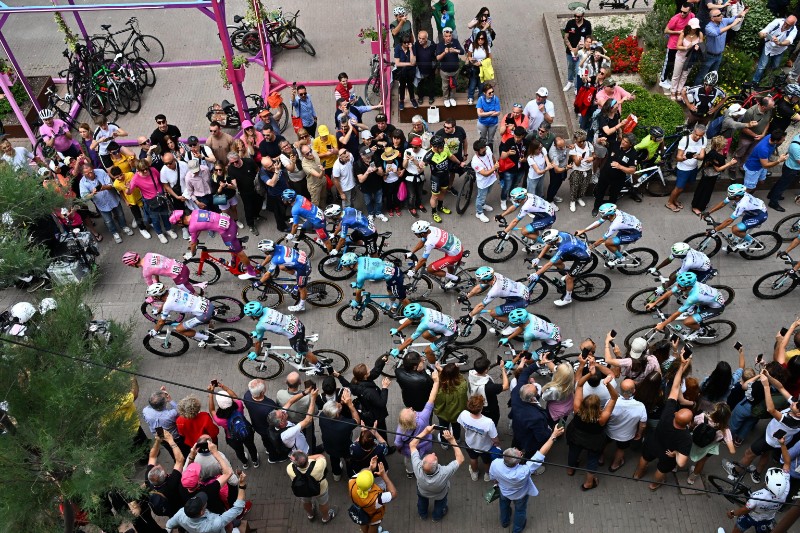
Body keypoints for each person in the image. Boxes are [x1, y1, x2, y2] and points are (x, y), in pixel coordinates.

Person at [723, 372, 800, 484]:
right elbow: (780, 387)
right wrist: (769, 377)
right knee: (766, 454)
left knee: (749, 453)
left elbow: (771, 410)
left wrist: (766, 386)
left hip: (769, 440)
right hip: (777, 439)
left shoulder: (792, 422)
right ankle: (757, 474)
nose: (794, 403)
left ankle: (735, 471)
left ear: (798, 414)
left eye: (797, 406)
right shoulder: (795, 407)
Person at [633, 350, 693, 490]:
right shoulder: (686, 438)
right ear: (688, 424)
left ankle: (637, 474)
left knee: (645, 458)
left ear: (676, 413)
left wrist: (680, 367)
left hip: (654, 441)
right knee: (661, 470)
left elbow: (675, 387)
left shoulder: (668, 413)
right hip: (668, 453)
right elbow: (682, 463)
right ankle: (654, 485)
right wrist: (676, 453)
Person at [489, 425, 564, 533]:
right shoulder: (524, 471)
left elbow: (493, 477)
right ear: (517, 462)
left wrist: (497, 482)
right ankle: (517, 529)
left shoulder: (496, 463)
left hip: (504, 492)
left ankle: (504, 522)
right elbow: (540, 454)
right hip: (520, 495)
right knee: (520, 511)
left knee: (503, 506)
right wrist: (553, 435)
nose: (517, 449)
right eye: (519, 452)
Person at [568, 360, 618, 491]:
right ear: (598, 406)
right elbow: (614, 398)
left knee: (574, 451)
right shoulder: (602, 417)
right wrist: (607, 384)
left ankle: (570, 469)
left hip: (576, 435)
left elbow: (579, 385)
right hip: (594, 440)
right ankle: (588, 483)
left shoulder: (577, 409)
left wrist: (589, 374)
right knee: (592, 459)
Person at [171, 208, 257, 279]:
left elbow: (193, 243)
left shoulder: (192, 227)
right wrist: (194, 237)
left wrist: (192, 253)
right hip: (230, 222)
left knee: (239, 252)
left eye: (177, 224)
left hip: (227, 232)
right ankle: (233, 262)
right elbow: (200, 226)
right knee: (231, 248)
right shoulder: (195, 212)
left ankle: (251, 272)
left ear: (180, 222)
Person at [726, 439, 791, 533]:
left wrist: (732, 513)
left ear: (768, 484)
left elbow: (745, 509)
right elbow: (787, 463)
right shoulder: (786, 486)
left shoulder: (758, 496)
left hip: (752, 517)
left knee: (737, 530)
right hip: (768, 518)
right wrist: (782, 444)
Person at [244, 301, 327, 372]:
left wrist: (256, 353)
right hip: (297, 323)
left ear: (254, 316)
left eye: (249, 316)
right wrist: (257, 332)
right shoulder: (267, 309)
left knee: (305, 353)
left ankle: (319, 367)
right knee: (299, 344)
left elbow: (259, 342)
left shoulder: (260, 326)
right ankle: (298, 356)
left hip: (295, 335)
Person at [647, 271, 726, 338]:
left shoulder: (693, 297)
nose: (677, 286)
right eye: (678, 284)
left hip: (716, 307)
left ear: (688, 287)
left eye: (680, 286)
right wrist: (654, 303)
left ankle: (701, 331)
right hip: (710, 298)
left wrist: (663, 325)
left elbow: (677, 313)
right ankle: (697, 323)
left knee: (687, 322)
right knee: (693, 311)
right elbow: (669, 293)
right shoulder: (688, 284)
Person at [166, 470, 249, 533]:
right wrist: (241, 485)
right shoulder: (213, 524)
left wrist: (185, 525)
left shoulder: (181, 514)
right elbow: (237, 508)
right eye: (203, 502)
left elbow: (169, 525)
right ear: (202, 512)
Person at [410, 426, 463, 521]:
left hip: (422, 491)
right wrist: (452, 441)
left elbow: (412, 445)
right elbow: (460, 459)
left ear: (422, 462)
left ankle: (423, 515)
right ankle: (436, 517)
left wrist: (425, 431)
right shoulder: (444, 472)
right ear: (436, 465)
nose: (434, 453)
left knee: (422, 502)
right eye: (434, 456)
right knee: (440, 505)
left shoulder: (417, 466)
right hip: (440, 494)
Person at [529, 228, 592, 307]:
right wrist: (538, 258)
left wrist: (537, 273)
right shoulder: (559, 234)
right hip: (575, 250)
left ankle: (567, 298)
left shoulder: (563, 247)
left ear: (554, 240)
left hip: (583, 257)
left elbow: (549, 264)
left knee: (569, 278)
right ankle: (570, 272)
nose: (548, 243)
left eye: (550, 242)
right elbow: (548, 245)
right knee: (557, 262)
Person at [395, 366, 440, 476]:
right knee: (425, 458)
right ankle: (426, 470)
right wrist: (436, 382)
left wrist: (400, 450)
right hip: (425, 446)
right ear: (414, 418)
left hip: (409, 451)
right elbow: (431, 399)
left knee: (409, 460)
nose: (411, 408)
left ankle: (410, 472)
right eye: (410, 411)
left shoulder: (401, 428)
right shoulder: (423, 417)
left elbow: (397, 443)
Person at [462, 266, 530, 335]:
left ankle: (515, 326)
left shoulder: (495, 290)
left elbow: (481, 306)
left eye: (479, 279)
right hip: (519, 291)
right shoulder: (495, 275)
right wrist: (467, 296)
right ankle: (503, 324)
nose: (477, 280)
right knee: (502, 311)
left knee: (493, 313)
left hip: (521, 301)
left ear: (485, 280)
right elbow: (480, 287)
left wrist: (469, 315)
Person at [207, 383, 260, 470]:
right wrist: (223, 387)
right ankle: (255, 461)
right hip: (247, 432)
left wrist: (210, 394)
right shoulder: (238, 405)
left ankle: (245, 463)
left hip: (232, 438)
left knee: (239, 451)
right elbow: (234, 396)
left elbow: (211, 410)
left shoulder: (219, 419)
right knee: (251, 446)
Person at [250, 239, 311, 312]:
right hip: (302, 260)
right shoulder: (278, 247)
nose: (263, 252)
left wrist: (259, 282)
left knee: (301, 288)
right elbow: (269, 256)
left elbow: (267, 275)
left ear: (267, 250)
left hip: (304, 268)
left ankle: (301, 306)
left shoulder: (276, 260)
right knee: (281, 267)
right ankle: (298, 275)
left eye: (263, 251)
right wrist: (261, 265)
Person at [79, 163, 132, 244]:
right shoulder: (82, 182)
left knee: (120, 214)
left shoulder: (100, 172)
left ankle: (124, 226)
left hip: (112, 198)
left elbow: (111, 185)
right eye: (87, 173)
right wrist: (91, 194)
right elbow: (84, 197)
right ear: (83, 174)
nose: (90, 174)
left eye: (91, 171)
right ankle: (115, 233)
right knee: (108, 221)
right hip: (102, 204)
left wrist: (104, 187)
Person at [705, 184, 770, 250]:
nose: (728, 196)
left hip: (760, 216)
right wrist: (709, 212)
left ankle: (750, 241)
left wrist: (715, 230)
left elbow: (729, 220)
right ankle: (739, 240)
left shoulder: (742, 204)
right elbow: (723, 203)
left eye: (730, 195)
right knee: (741, 229)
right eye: (728, 193)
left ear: (737, 197)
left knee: (735, 229)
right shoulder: (738, 195)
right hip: (752, 212)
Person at [576, 203, 642, 266]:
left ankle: (621, 258)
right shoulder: (615, 213)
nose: (601, 216)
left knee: (608, 242)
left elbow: (602, 239)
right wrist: (583, 230)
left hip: (634, 234)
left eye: (602, 214)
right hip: (629, 229)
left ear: (608, 215)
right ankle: (617, 254)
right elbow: (598, 222)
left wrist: (591, 247)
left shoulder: (615, 224)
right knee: (615, 242)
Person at [146, 283, 213, 345]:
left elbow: (161, 322)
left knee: (179, 329)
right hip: (208, 303)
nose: (153, 298)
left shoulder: (167, 305)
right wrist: (160, 310)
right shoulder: (172, 289)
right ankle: (210, 327)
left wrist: (154, 330)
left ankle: (206, 338)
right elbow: (166, 301)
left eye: (154, 296)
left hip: (204, 314)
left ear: (158, 296)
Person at [695, 8, 748, 84]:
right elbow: (716, 33)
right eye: (718, 15)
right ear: (712, 18)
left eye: (721, 14)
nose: (721, 16)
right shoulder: (708, 27)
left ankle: (708, 92)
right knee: (702, 75)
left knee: (713, 76)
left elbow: (733, 18)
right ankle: (694, 91)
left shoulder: (724, 21)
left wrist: (741, 14)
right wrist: (732, 25)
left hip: (719, 55)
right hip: (709, 56)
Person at [390, 304, 458, 365]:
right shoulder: (423, 309)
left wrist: (398, 349)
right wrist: (397, 329)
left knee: (427, 351)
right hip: (447, 324)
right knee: (425, 335)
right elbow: (411, 319)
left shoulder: (424, 324)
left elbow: (410, 340)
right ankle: (438, 349)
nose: (409, 319)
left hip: (450, 333)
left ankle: (434, 368)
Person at [687, 402, 735, 484]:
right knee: (701, 462)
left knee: (685, 452)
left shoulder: (702, 417)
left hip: (695, 440)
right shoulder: (725, 430)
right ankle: (691, 479)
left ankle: (675, 466)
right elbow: (732, 451)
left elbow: (693, 425)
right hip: (709, 448)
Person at [606, 378, 647, 472]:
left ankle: (601, 459)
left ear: (620, 389)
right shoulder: (640, 406)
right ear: (634, 391)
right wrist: (639, 433)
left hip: (610, 431)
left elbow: (606, 415)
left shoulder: (611, 401)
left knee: (605, 444)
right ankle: (614, 465)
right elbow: (643, 425)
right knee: (621, 449)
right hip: (626, 435)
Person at [318, 388, 360, 481]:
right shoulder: (344, 424)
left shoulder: (322, 415)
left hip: (329, 445)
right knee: (349, 460)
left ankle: (336, 474)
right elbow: (357, 421)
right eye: (339, 406)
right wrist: (350, 404)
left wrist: (341, 402)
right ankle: (351, 476)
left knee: (334, 459)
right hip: (344, 448)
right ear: (337, 415)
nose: (340, 404)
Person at [407, 220, 463, 289]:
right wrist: (411, 252)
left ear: (422, 234)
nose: (415, 235)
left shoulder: (430, 242)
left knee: (430, 269)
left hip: (454, 254)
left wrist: (414, 270)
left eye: (416, 234)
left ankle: (456, 279)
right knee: (449, 265)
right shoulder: (430, 229)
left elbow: (423, 260)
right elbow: (422, 241)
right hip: (456, 245)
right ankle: (450, 277)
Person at [591, 133, 637, 216]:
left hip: (618, 179)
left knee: (614, 195)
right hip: (605, 174)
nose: (623, 142)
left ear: (631, 144)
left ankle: (610, 211)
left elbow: (632, 170)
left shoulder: (633, 154)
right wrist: (600, 140)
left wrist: (620, 166)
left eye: (626, 142)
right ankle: (596, 207)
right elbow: (601, 143)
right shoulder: (615, 144)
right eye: (623, 139)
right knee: (600, 192)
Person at [458, 393, 500, 482]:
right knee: (487, 461)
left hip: (470, 443)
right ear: (481, 408)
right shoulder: (488, 422)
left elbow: (462, 425)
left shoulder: (463, 414)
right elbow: (495, 439)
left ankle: (475, 474)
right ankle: (487, 475)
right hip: (485, 447)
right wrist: (497, 444)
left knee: (473, 459)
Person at [691, 135, 738, 214]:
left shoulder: (717, 151)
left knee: (707, 191)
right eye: (724, 145)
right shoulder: (713, 155)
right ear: (719, 145)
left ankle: (701, 205)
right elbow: (718, 169)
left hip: (712, 175)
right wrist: (730, 163)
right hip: (708, 176)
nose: (725, 145)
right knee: (703, 191)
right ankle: (696, 207)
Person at [286, 450, 336, 524]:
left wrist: (299, 459)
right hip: (320, 489)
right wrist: (305, 457)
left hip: (303, 490)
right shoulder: (318, 466)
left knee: (306, 502)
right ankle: (325, 518)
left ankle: (310, 515)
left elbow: (295, 462)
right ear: (306, 457)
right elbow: (320, 456)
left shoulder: (289, 468)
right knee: (323, 503)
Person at [242, 378, 284, 464]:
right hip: (268, 429)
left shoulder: (247, 396)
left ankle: (268, 449)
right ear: (262, 393)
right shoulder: (269, 406)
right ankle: (273, 458)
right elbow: (276, 419)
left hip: (257, 426)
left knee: (266, 440)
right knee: (272, 443)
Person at [266, 386, 319, 454]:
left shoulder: (279, 416)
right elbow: (307, 420)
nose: (284, 411)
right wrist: (313, 398)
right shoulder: (287, 434)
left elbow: (290, 401)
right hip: (303, 451)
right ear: (281, 423)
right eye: (282, 414)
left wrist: (304, 393)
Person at [348, 461, 398, 533]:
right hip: (374, 516)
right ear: (372, 484)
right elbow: (394, 493)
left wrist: (370, 467)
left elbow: (362, 472)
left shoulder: (351, 481)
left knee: (363, 522)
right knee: (373, 526)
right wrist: (384, 475)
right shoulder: (377, 499)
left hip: (360, 512)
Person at [282, 189, 335, 254]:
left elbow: (295, 226)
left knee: (327, 242)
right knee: (304, 227)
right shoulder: (299, 196)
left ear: (289, 201)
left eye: (284, 199)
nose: (283, 201)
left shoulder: (295, 209)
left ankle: (332, 256)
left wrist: (291, 234)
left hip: (318, 223)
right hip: (316, 214)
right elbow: (303, 210)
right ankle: (323, 236)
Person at [733, 96, 775, 176]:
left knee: (750, 153)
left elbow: (767, 122)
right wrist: (756, 135)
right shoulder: (750, 112)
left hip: (758, 138)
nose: (772, 108)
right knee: (739, 153)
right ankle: (732, 168)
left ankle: (742, 167)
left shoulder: (769, 111)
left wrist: (762, 135)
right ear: (763, 107)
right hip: (746, 138)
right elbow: (744, 128)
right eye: (770, 107)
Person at [145, 432, 185, 517]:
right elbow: (180, 460)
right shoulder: (171, 483)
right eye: (160, 468)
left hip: (169, 511)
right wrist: (171, 441)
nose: (159, 465)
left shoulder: (148, 480)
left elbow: (152, 457)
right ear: (165, 476)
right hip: (181, 508)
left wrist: (157, 441)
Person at [753, 15, 797, 84]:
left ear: (792, 25)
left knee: (775, 66)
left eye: (788, 25)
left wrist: (779, 43)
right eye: (785, 22)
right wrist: (764, 35)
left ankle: (766, 80)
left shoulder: (794, 30)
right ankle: (755, 82)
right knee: (762, 66)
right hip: (768, 47)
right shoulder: (777, 22)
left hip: (779, 50)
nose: (785, 25)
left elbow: (789, 41)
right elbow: (762, 32)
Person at [663, 3, 697, 90]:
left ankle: (669, 79)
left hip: (683, 45)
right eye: (681, 11)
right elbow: (666, 30)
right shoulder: (675, 18)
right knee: (668, 64)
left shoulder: (692, 16)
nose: (682, 13)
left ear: (689, 11)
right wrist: (678, 32)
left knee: (676, 65)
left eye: (684, 12)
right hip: (673, 45)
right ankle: (662, 80)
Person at [468, 356, 509, 426]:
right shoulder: (488, 387)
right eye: (488, 367)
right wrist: (502, 369)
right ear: (485, 370)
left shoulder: (472, 375)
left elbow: (483, 371)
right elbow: (506, 386)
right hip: (489, 408)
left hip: (479, 404)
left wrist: (496, 364)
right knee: (492, 423)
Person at [497, 126, 528, 211]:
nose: (517, 139)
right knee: (507, 186)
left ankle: (511, 196)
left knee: (515, 184)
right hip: (510, 169)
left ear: (523, 136)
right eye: (515, 136)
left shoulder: (526, 142)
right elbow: (502, 156)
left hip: (521, 169)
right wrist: (508, 153)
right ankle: (503, 200)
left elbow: (529, 154)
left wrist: (524, 159)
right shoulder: (509, 142)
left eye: (519, 137)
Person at [563, 7, 592, 92]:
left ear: (583, 15)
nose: (576, 18)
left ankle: (576, 86)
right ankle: (570, 81)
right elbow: (566, 37)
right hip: (570, 51)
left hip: (581, 51)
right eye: (575, 16)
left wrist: (581, 47)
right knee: (570, 67)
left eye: (578, 16)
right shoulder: (570, 23)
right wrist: (571, 48)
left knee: (578, 69)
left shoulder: (587, 24)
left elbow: (588, 38)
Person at [470, 138, 498, 222]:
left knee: (487, 193)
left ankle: (482, 205)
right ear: (477, 151)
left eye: (485, 149)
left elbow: (492, 157)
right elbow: (485, 174)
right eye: (483, 151)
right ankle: (479, 213)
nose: (485, 151)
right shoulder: (475, 162)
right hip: (483, 182)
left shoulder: (487, 149)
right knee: (480, 197)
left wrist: (495, 164)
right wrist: (494, 168)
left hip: (492, 178)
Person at [436, 27, 464, 108]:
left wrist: (455, 50)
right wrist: (444, 53)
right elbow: (437, 58)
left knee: (453, 85)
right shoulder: (440, 45)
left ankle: (452, 98)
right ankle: (445, 99)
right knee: (445, 86)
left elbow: (462, 52)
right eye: (446, 36)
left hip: (455, 70)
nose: (448, 38)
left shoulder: (455, 42)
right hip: (445, 71)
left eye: (450, 36)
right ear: (443, 36)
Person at [568, 129, 594, 212]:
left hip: (588, 170)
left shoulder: (589, 145)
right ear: (575, 140)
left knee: (584, 186)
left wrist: (592, 158)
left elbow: (594, 155)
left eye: (584, 141)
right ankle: (572, 201)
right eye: (580, 141)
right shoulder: (573, 149)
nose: (582, 143)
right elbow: (577, 163)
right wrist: (579, 159)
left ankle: (579, 198)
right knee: (575, 187)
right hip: (577, 171)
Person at [413, 30, 437, 106]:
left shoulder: (432, 45)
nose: (421, 40)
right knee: (420, 84)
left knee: (431, 84)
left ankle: (431, 97)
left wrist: (435, 65)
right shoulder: (416, 44)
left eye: (423, 39)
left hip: (430, 69)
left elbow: (436, 56)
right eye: (419, 38)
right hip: (420, 69)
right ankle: (420, 98)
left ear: (426, 38)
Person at [394, 35, 417, 111]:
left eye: (408, 42)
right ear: (402, 43)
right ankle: (401, 100)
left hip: (410, 71)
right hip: (401, 71)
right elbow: (397, 63)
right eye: (405, 43)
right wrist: (408, 64)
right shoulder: (398, 48)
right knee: (402, 86)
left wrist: (410, 49)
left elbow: (413, 62)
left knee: (410, 85)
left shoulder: (411, 47)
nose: (407, 44)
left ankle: (412, 98)